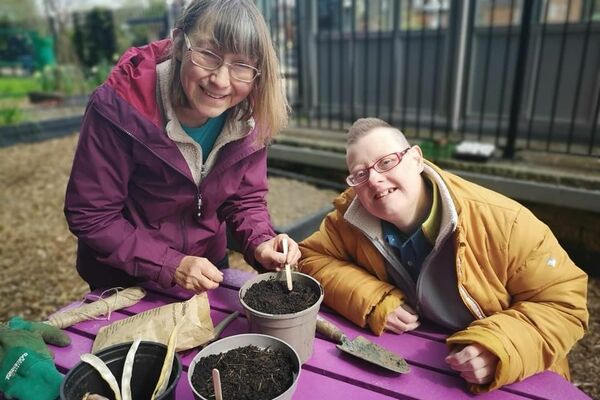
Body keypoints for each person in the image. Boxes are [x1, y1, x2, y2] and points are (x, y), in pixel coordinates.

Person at [299, 118, 588, 392]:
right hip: (408, 365)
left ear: (416, 159)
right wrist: (373, 299)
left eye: (387, 162)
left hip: (514, 377)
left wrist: (498, 348)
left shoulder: (507, 223)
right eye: (361, 174)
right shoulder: (351, 218)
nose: (374, 179)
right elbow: (310, 258)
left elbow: (565, 304)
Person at [64, 0, 300, 294]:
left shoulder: (249, 113)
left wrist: (262, 241)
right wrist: (171, 263)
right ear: (178, 45)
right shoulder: (120, 107)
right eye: (208, 54)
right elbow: (92, 214)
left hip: (206, 265)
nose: (220, 80)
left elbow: (245, 198)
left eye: (241, 65)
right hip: (125, 279)